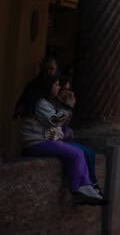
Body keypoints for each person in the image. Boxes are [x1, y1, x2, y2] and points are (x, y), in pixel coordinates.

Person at [18, 74, 105, 205]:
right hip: (36, 144)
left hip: (42, 142)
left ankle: (87, 187)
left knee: (80, 153)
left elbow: (52, 126)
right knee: (77, 154)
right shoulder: (40, 103)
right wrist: (67, 107)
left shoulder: (43, 102)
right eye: (56, 84)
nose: (59, 87)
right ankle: (79, 189)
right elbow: (54, 121)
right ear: (48, 86)